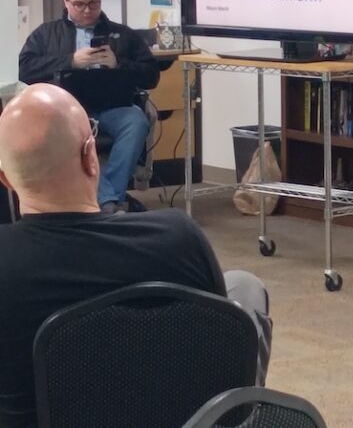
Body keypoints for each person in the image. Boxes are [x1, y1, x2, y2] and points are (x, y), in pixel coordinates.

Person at [0, 83, 272, 428]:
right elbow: (216, 343)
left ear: (5, 179)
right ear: (90, 156)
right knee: (244, 287)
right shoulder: (178, 237)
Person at [18, 0, 159, 213]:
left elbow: (151, 75)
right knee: (65, 133)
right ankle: (109, 203)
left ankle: (106, 199)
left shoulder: (123, 35)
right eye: (79, 4)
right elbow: (24, 69)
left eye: (94, 4)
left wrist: (118, 64)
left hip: (113, 105)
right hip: (67, 110)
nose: (87, 11)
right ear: (65, 1)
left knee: (136, 121)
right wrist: (70, 60)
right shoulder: (46, 34)